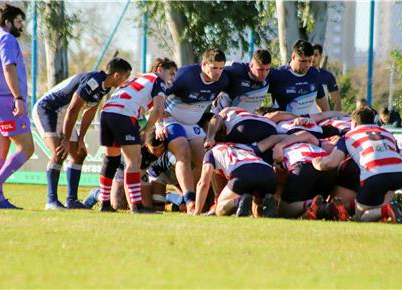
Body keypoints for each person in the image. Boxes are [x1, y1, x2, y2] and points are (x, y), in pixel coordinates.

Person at [32, 58, 132, 210]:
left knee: (79, 154)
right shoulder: (93, 81)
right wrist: (66, 139)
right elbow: (73, 109)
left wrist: (80, 139)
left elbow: (89, 111)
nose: (127, 80)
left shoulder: (105, 87)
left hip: (65, 114)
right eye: (127, 76)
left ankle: (71, 200)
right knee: (59, 152)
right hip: (48, 110)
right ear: (117, 75)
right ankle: (51, 201)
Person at [97, 58, 177, 213]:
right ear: (160, 69)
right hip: (124, 115)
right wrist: (146, 130)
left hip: (107, 113)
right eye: (171, 73)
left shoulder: (137, 77)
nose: (172, 78)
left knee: (111, 161)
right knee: (134, 161)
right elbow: (158, 109)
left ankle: (104, 204)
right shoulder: (158, 80)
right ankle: (136, 206)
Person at [156, 48, 230, 213]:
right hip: (171, 119)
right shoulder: (185, 75)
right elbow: (158, 94)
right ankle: (190, 203)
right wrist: (158, 123)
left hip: (192, 125)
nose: (218, 72)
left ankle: (185, 198)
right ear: (204, 64)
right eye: (214, 68)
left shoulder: (223, 80)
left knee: (205, 161)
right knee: (183, 152)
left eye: (221, 68)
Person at [312, 107, 402, 223]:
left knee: (360, 218)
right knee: (376, 205)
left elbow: (331, 163)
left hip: (376, 174)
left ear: (353, 123)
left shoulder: (349, 136)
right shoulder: (386, 132)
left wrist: (317, 163)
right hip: (401, 173)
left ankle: (387, 210)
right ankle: (387, 210)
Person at [0, 4, 35, 209]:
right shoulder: (6, 39)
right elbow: (8, 67)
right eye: (19, 22)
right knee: (27, 148)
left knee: (1, 152)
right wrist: (18, 98)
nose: (21, 26)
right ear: (8, 21)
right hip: (8, 100)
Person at [193, 143, 278, 218]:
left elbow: (203, 183)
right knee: (256, 203)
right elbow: (272, 139)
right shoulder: (245, 146)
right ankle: (266, 206)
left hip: (242, 173)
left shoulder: (211, 152)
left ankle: (238, 202)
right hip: (269, 173)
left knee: (219, 207)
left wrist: (196, 213)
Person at [268, 40, 329, 116]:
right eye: (303, 61)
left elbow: (323, 104)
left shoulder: (314, 74)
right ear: (293, 56)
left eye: (309, 61)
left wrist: (328, 121)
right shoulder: (278, 74)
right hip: (284, 123)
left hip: (307, 121)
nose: (307, 65)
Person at [211, 49, 272, 114]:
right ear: (251, 65)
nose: (264, 74)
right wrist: (214, 94)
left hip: (245, 119)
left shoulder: (272, 75)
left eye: (267, 69)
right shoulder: (236, 70)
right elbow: (214, 70)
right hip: (220, 116)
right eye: (260, 69)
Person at [204, 107, 277, 148]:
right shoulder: (244, 113)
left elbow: (217, 117)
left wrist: (209, 138)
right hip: (270, 130)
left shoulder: (224, 115)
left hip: (242, 126)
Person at [312, 44, 342, 111]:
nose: (312, 58)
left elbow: (337, 102)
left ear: (321, 57)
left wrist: (334, 118)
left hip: (323, 118)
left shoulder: (328, 76)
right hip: (304, 118)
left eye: (315, 55)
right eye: (310, 55)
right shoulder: (301, 74)